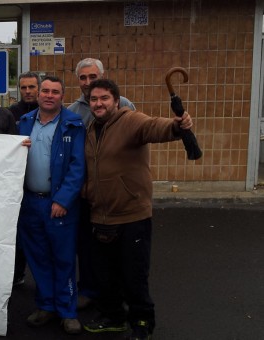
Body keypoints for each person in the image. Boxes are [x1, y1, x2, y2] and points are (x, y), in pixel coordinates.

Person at [82, 79, 193, 340]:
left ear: (116, 101)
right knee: (105, 276)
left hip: (132, 215)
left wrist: (176, 126)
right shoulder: (89, 128)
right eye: (94, 99)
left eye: (104, 98)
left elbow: (154, 127)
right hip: (100, 215)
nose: (99, 103)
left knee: (134, 276)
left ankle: (142, 323)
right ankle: (114, 318)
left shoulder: (130, 121)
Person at [17, 75, 85, 335]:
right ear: (38, 93)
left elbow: (78, 167)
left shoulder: (73, 124)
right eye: (45, 90)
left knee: (63, 258)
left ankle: (67, 311)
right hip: (30, 203)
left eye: (54, 92)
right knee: (38, 258)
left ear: (62, 96)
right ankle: (46, 305)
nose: (48, 95)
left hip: (59, 205)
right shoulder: (23, 123)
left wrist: (63, 199)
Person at [67, 57, 137, 310]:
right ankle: (88, 290)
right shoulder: (72, 112)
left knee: (119, 249)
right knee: (87, 246)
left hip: (116, 192)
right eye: (83, 78)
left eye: (92, 77)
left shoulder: (125, 106)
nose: (87, 82)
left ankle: (117, 296)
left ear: (103, 76)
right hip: (86, 192)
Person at [7, 71, 41, 286]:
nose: (27, 91)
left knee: (39, 239)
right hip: (16, 184)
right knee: (16, 235)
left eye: (32, 87)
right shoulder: (11, 113)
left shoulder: (47, 111)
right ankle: (16, 274)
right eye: (24, 87)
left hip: (39, 183)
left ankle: (41, 282)